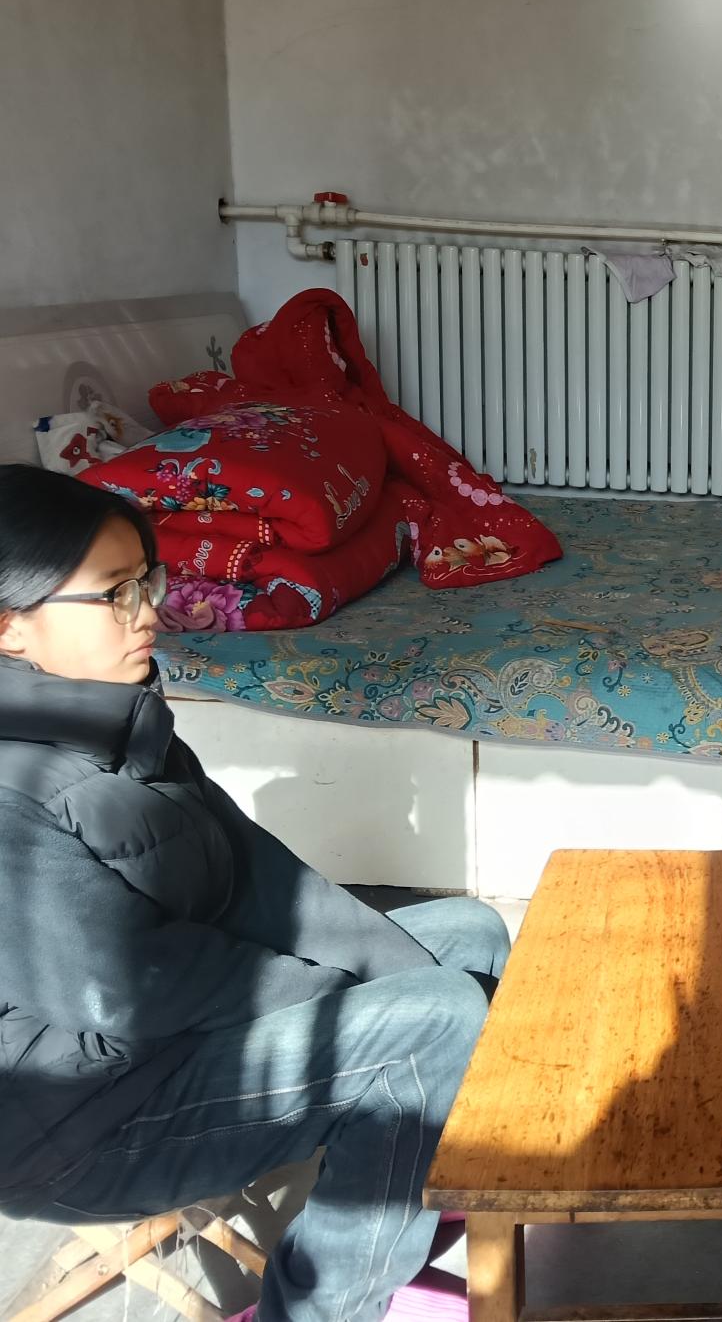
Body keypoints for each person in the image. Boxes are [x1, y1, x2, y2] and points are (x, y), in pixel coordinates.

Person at [0, 464, 509, 1322]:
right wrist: (354, 1001)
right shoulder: (12, 794)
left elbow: (267, 879)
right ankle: (321, 1307)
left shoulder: (125, 721)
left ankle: (409, 1192)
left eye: (148, 580)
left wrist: (386, 976)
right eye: (115, 594)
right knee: (436, 1019)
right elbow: (131, 988)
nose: (150, 611)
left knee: (469, 936)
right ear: (10, 626)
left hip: (172, 1042)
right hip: (79, 1121)